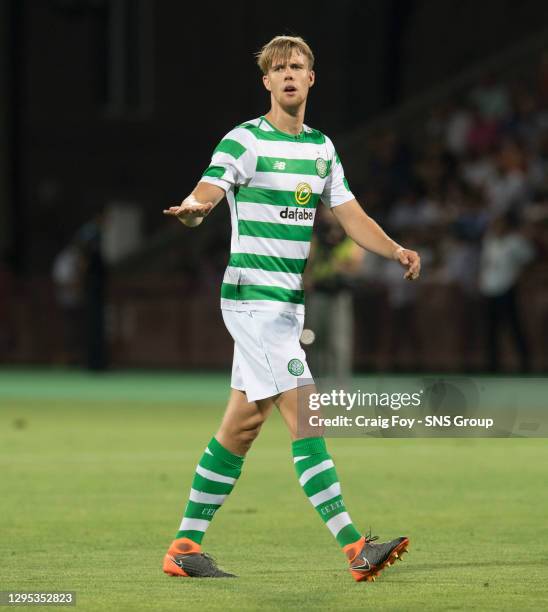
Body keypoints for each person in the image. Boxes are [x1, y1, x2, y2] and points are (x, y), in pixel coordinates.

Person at [162, 35, 421, 582]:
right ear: (266, 81)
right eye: (277, 68)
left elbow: (351, 216)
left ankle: (184, 547)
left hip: (285, 307)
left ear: (310, 79)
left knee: (242, 427)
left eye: (296, 66)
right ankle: (355, 548)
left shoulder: (321, 149)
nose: (287, 74)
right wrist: (194, 209)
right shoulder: (243, 141)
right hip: (252, 301)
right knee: (308, 415)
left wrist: (395, 248)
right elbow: (208, 189)